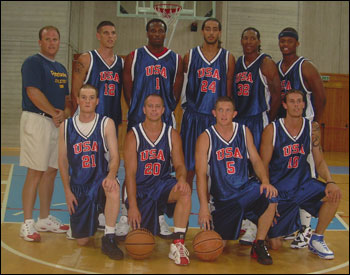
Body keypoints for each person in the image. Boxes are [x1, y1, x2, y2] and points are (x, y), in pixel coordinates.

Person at [120, 18, 184, 238]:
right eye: (153, 29)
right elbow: (127, 86)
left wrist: (164, 108)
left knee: (162, 169)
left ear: (165, 34)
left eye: (160, 30)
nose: (157, 33)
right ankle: (125, 209)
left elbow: (176, 90)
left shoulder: (175, 58)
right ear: (147, 32)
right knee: (134, 168)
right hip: (140, 117)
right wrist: (137, 107)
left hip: (163, 119)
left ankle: (158, 214)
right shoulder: (134, 56)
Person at [195, 96, 278, 265]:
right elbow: (201, 174)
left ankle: (259, 243)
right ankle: (243, 222)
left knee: (271, 195)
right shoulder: (206, 137)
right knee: (218, 246)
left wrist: (265, 180)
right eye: (220, 110)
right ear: (214, 113)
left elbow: (255, 160)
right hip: (222, 200)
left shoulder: (243, 131)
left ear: (234, 114)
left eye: (228, 110)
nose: (224, 114)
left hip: (244, 190)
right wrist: (203, 207)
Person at [260, 89, 341, 259]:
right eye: (292, 101)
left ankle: (317, 238)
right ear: (284, 105)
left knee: (334, 194)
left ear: (304, 104)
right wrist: (268, 194)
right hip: (280, 191)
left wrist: (330, 181)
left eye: (299, 101)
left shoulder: (312, 128)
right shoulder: (272, 129)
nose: (296, 105)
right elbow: (263, 164)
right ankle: (270, 227)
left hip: (303, 185)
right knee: (275, 245)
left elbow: (319, 161)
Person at [124, 94, 192, 266]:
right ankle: (127, 218)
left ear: (163, 110)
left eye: (157, 106)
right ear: (144, 109)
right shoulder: (134, 135)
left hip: (162, 185)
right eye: (150, 106)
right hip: (141, 189)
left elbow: (180, 165)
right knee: (142, 244)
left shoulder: (172, 134)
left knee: (184, 192)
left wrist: (182, 179)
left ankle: (178, 244)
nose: (154, 109)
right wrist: (132, 206)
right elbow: (130, 174)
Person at [58, 84, 123, 260]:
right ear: (77, 100)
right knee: (82, 241)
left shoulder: (106, 123)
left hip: (99, 182)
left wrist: (111, 176)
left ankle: (109, 237)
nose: (87, 101)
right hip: (79, 187)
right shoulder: (66, 126)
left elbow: (115, 157)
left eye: (91, 97)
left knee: (114, 187)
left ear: (97, 101)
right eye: (84, 97)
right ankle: (94, 218)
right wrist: (67, 190)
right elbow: (62, 161)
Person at [71, 20, 124, 234]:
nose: (110, 36)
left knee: (107, 167)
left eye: (113, 33)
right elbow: (75, 92)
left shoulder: (120, 62)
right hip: (90, 122)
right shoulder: (87, 58)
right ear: (98, 35)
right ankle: (79, 213)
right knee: (85, 168)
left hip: (110, 122)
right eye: (106, 33)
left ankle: (102, 210)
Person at [276, 27, 327, 248]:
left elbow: (321, 97)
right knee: (289, 179)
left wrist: (315, 124)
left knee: (306, 179)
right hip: (286, 131)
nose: (285, 44)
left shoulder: (306, 66)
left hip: (304, 130)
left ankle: (306, 229)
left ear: (297, 43)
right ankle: (294, 224)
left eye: (289, 41)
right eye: (282, 41)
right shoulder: (277, 68)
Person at [19, 25, 70, 242]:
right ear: (40, 42)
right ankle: (27, 222)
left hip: (55, 123)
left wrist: (65, 113)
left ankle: (44, 218)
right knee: (35, 171)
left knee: (51, 170)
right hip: (38, 121)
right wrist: (53, 113)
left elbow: (67, 99)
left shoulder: (61, 68)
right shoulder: (33, 63)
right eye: (47, 39)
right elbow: (33, 92)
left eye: (55, 39)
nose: (52, 42)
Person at [233, 27, 281, 246]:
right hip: (240, 122)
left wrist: (268, 120)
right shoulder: (237, 63)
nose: (249, 41)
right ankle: (242, 219)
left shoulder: (265, 62)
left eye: (253, 37)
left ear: (259, 41)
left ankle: (255, 224)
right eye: (245, 37)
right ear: (241, 41)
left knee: (258, 171)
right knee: (240, 172)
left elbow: (277, 93)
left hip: (257, 120)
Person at [181, 18, 235, 189]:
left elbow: (228, 93)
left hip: (215, 120)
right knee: (188, 168)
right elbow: (183, 88)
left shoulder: (228, 58)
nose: (211, 33)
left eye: (215, 29)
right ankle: (185, 206)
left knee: (216, 169)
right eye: (208, 29)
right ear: (203, 31)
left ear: (219, 33)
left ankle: (213, 207)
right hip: (193, 117)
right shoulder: (190, 56)